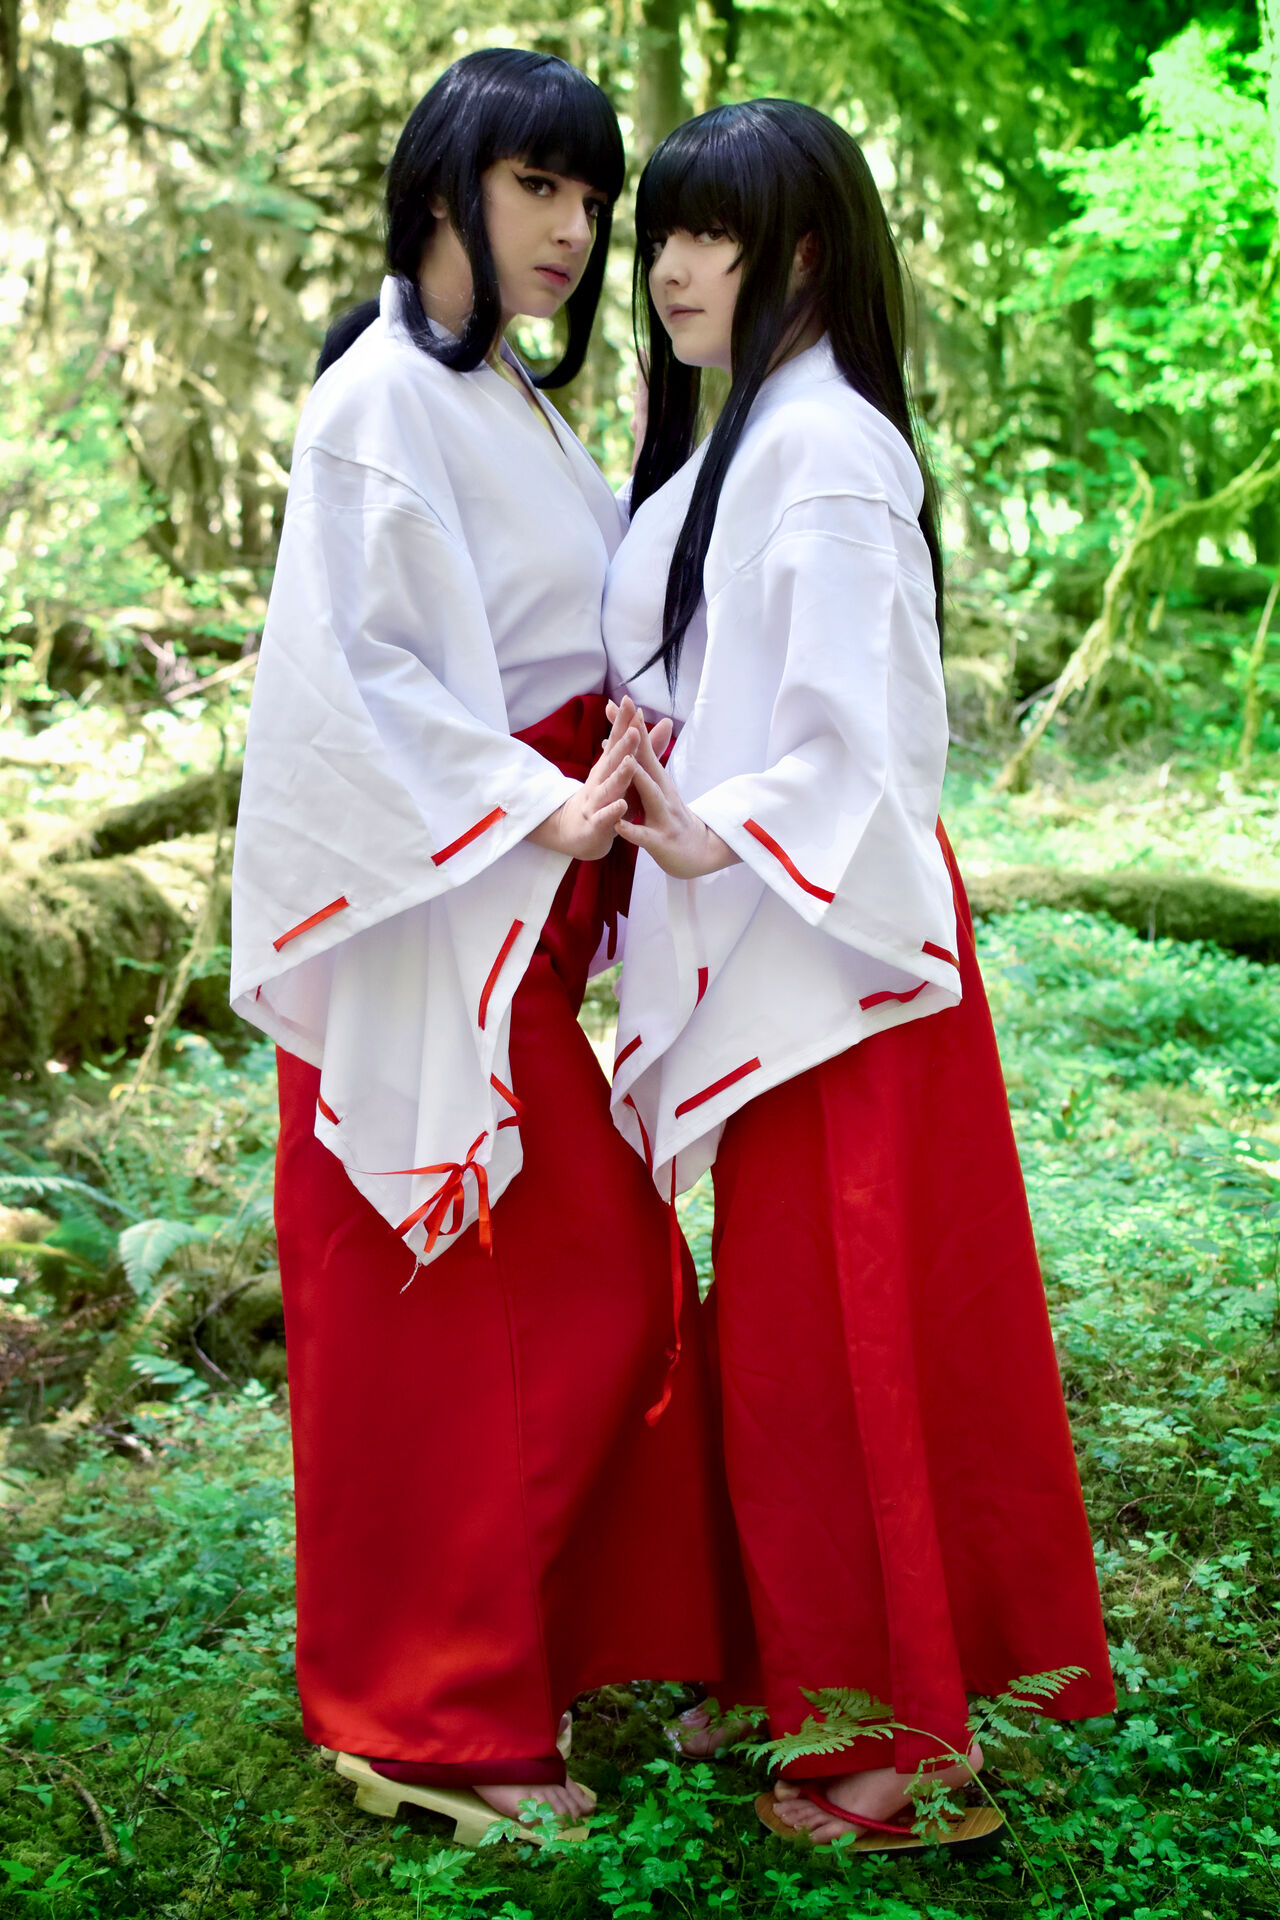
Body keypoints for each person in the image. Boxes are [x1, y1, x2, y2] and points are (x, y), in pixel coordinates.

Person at [229, 49, 750, 1843]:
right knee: (474, 1308)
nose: (579, 230)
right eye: (544, 186)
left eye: (591, 199)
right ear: (449, 176)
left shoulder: (500, 398)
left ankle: (520, 1659)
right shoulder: (380, 395)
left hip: (515, 905)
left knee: (591, 1295)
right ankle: (429, 1718)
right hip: (425, 921)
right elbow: (357, 679)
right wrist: (539, 807)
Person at [601, 98, 1114, 1850]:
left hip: (837, 941)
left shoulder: (822, 452)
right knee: (797, 1327)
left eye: (712, 232)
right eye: (660, 227)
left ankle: (893, 1747)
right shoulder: (754, 437)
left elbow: (867, 736)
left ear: (802, 253)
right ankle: (791, 1670)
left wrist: (714, 828)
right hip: (780, 917)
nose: (668, 263)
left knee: (852, 1335)